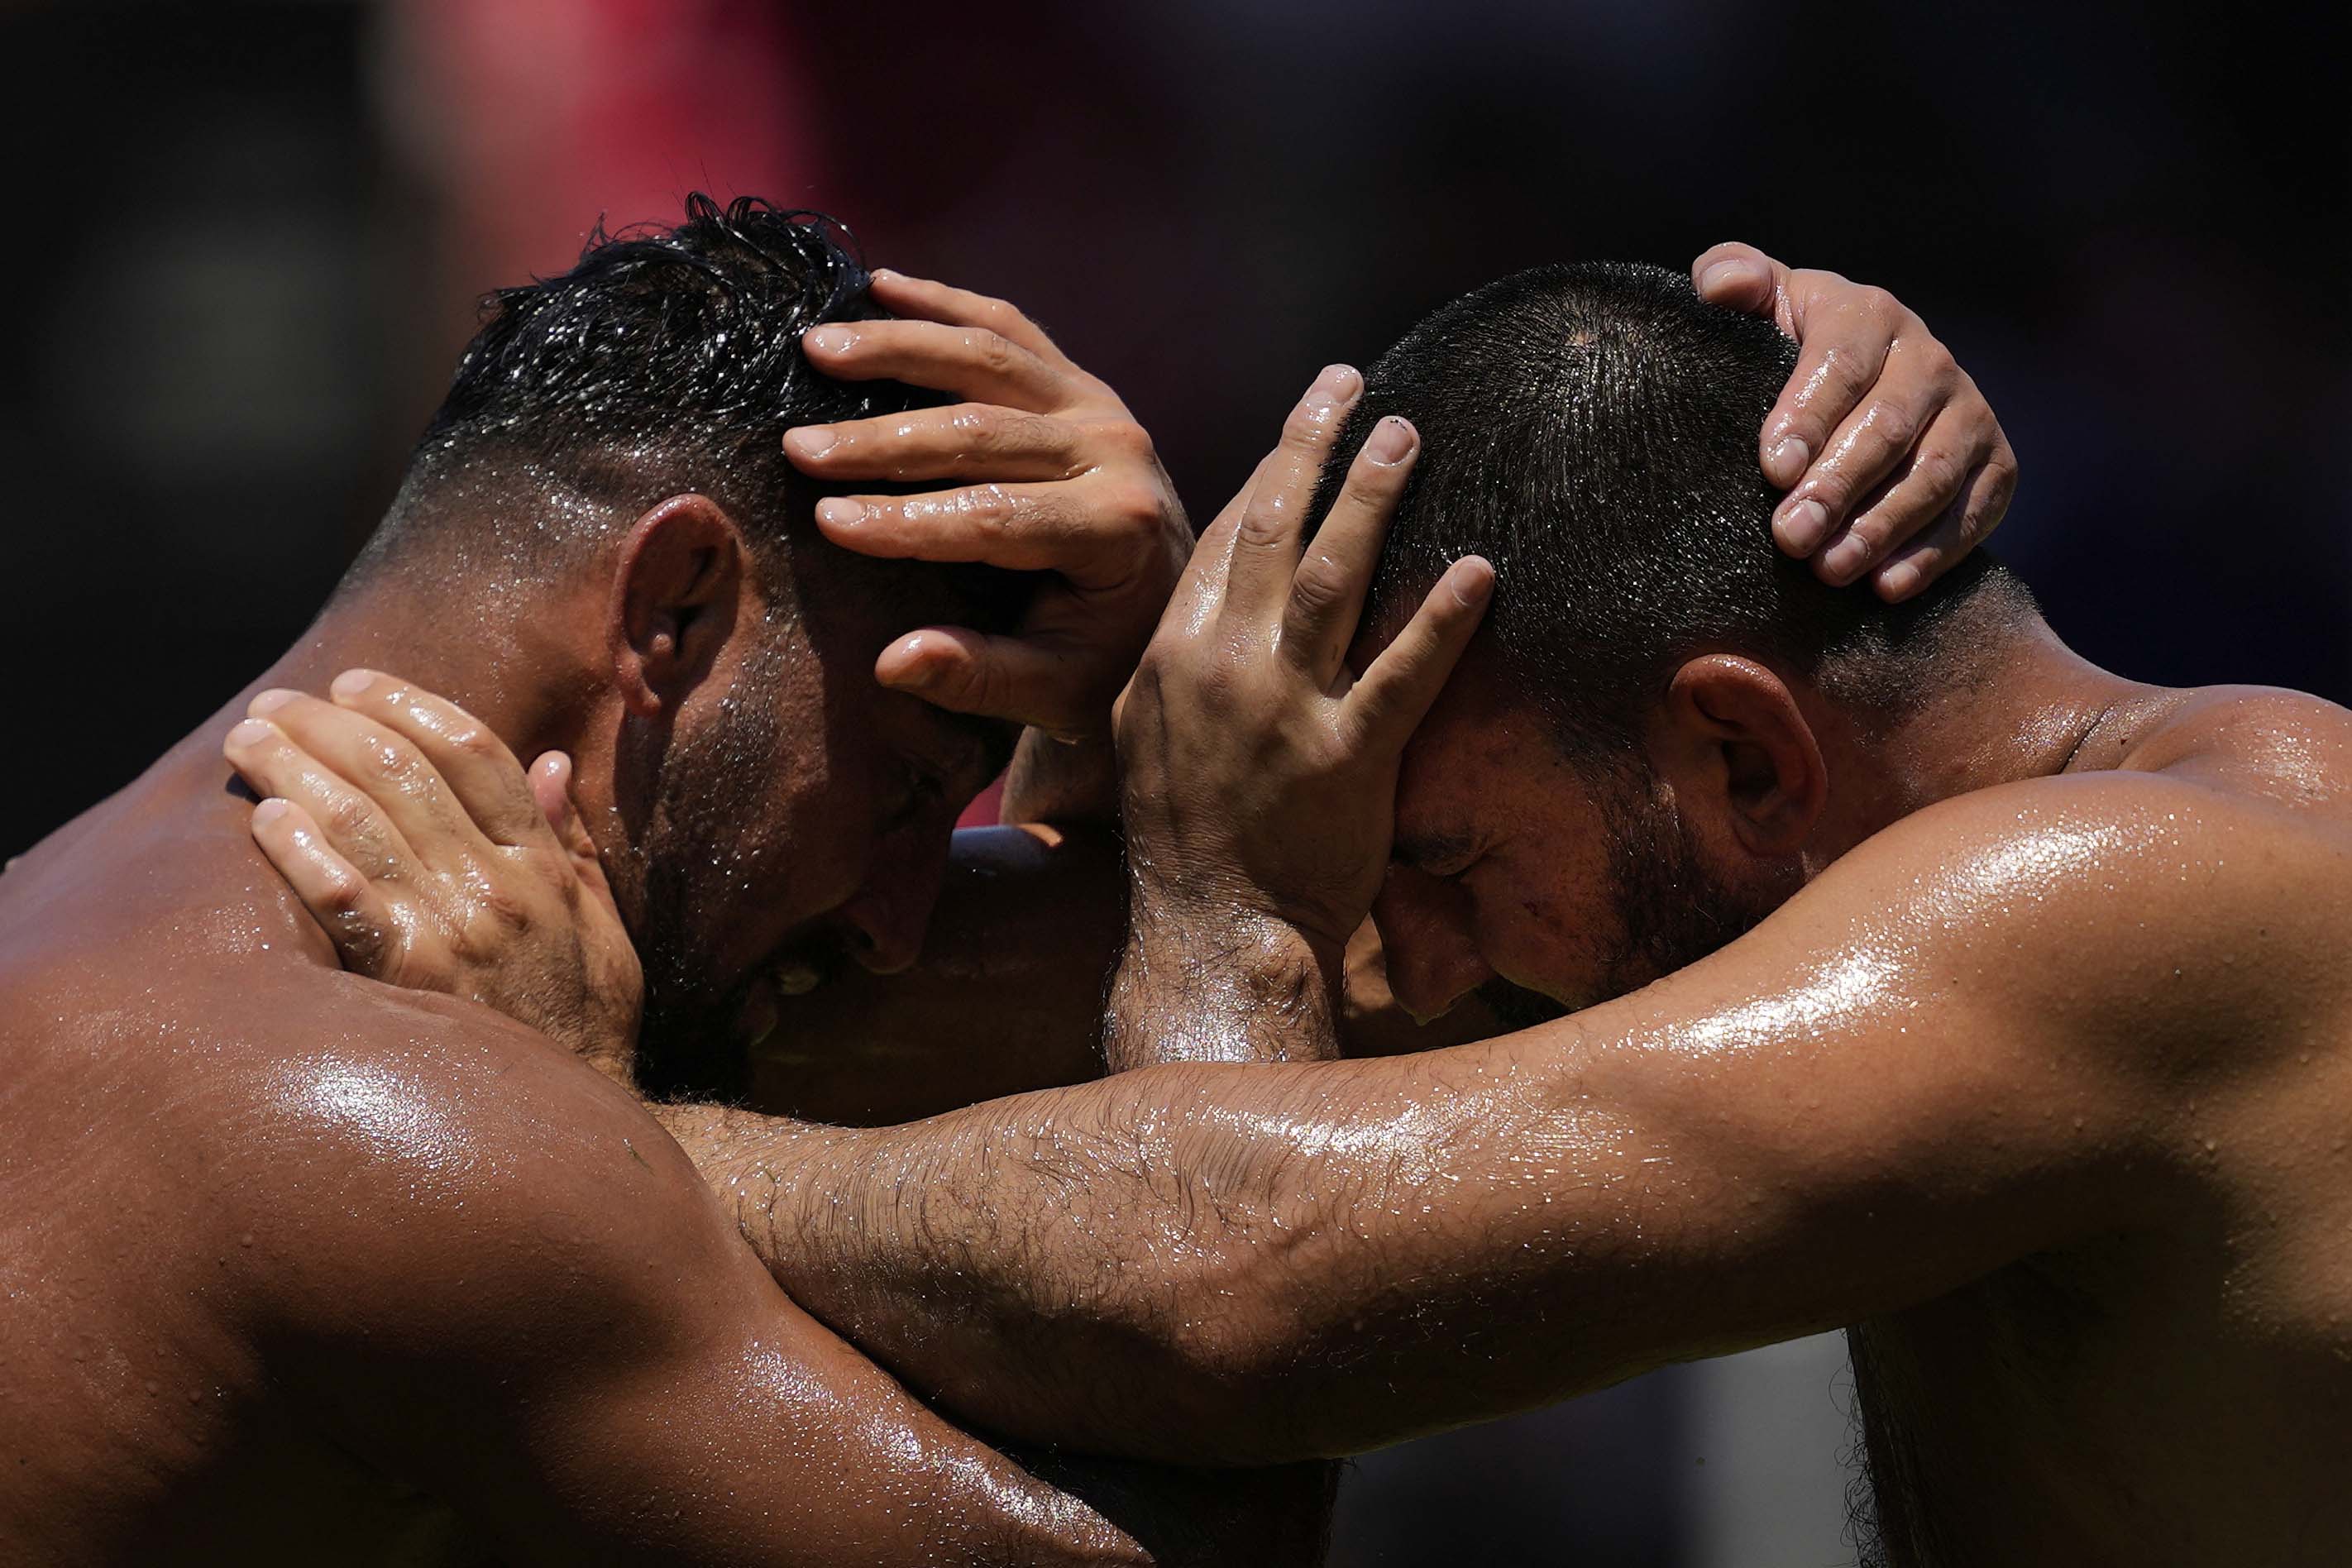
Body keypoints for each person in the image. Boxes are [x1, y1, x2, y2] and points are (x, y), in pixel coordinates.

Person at [0, 182, 1990, 1561]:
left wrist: (1139, 694)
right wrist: (1216, 924)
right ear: (678, 606)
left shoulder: (161, 929)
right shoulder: (378, 1109)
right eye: (908, 789)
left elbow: (1490, 981)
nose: (901, 907)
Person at [256, 260, 2350, 1568]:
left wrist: (563, 1131)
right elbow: (1015, 1057)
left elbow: (1221, 1265)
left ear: (1743, 758)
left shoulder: (2160, 903)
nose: (1407, 960)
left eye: (1434, 865)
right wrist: (1126, 701)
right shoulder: (1843, 893)